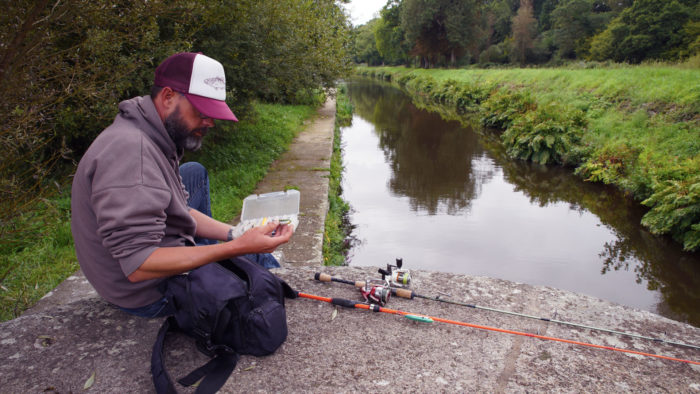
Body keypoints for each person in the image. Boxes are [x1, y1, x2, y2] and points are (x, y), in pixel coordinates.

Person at [71, 52, 294, 318]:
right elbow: (139, 265)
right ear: (168, 97)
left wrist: (237, 233)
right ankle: (272, 273)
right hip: (149, 292)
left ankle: (250, 260)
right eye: (201, 112)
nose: (210, 122)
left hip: (155, 254)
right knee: (255, 271)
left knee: (194, 174)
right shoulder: (132, 154)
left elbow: (180, 209)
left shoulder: (155, 132)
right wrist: (238, 248)